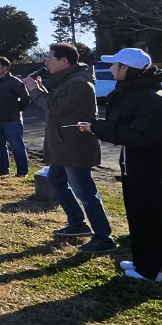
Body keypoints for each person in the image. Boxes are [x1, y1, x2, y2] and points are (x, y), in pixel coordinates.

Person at [83, 48, 162, 285]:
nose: (110, 69)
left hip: (148, 163)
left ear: (126, 69)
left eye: (115, 64)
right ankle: (143, 262)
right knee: (137, 214)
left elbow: (138, 135)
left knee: (151, 215)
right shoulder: (135, 93)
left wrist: (96, 128)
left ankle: (158, 270)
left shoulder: (148, 97)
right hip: (134, 162)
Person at [24, 43, 115, 254]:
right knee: (56, 179)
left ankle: (104, 237)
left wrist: (35, 91)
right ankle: (77, 223)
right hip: (63, 144)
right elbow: (55, 102)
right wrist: (41, 90)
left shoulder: (80, 83)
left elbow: (55, 107)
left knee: (85, 192)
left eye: (50, 59)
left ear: (64, 61)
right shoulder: (67, 80)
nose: (45, 63)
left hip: (74, 145)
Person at [0, 56, 30, 176]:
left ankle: (22, 171)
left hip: (12, 120)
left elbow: (26, 99)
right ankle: (3, 169)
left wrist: (15, 109)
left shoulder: (15, 82)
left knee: (17, 146)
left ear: (5, 68)